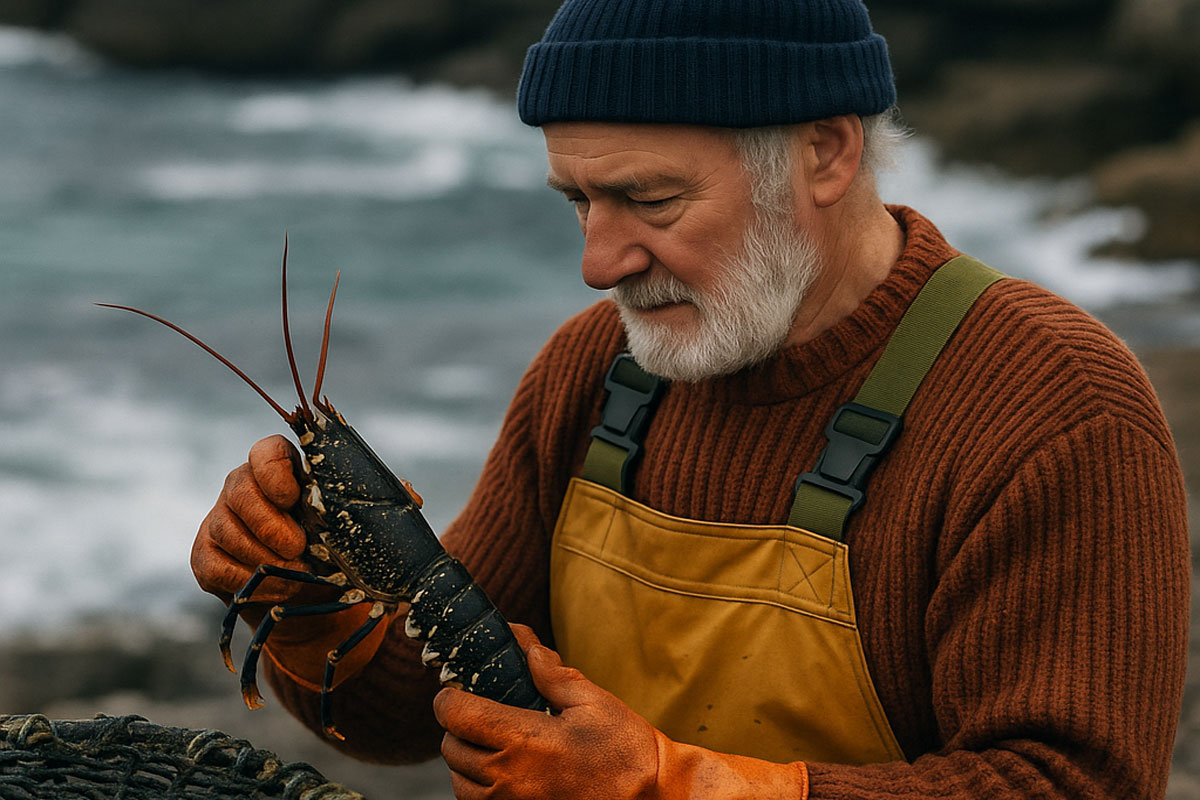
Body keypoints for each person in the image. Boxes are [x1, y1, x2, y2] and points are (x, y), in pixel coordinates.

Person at [190, 0, 1190, 797]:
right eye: (579, 201)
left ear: (827, 152)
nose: (596, 262)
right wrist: (306, 603)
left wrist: (674, 785)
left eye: (652, 201)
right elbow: (412, 716)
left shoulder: (1058, 408)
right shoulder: (590, 372)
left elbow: (1069, 782)